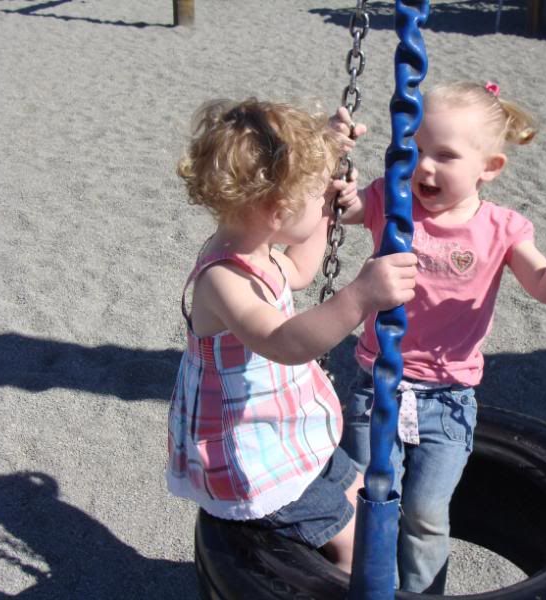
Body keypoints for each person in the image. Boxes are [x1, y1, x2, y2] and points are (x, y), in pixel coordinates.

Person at [333, 80, 546, 592]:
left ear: (490, 168)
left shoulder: (503, 228)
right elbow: (338, 208)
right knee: (371, 505)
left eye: (445, 155)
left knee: (424, 514)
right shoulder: (388, 200)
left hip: (449, 398)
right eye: (416, 150)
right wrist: (340, 173)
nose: (425, 167)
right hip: (375, 385)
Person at [165, 98, 417, 573]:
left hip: (282, 431)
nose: (326, 200)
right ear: (279, 211)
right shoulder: (224, 280)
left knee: (358, 490)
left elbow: (301, 268)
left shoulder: (258, 245)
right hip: (250, 457)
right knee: (354, 542)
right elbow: (283, 343)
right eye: (315, 194)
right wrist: (359, 296)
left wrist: (323, 163)